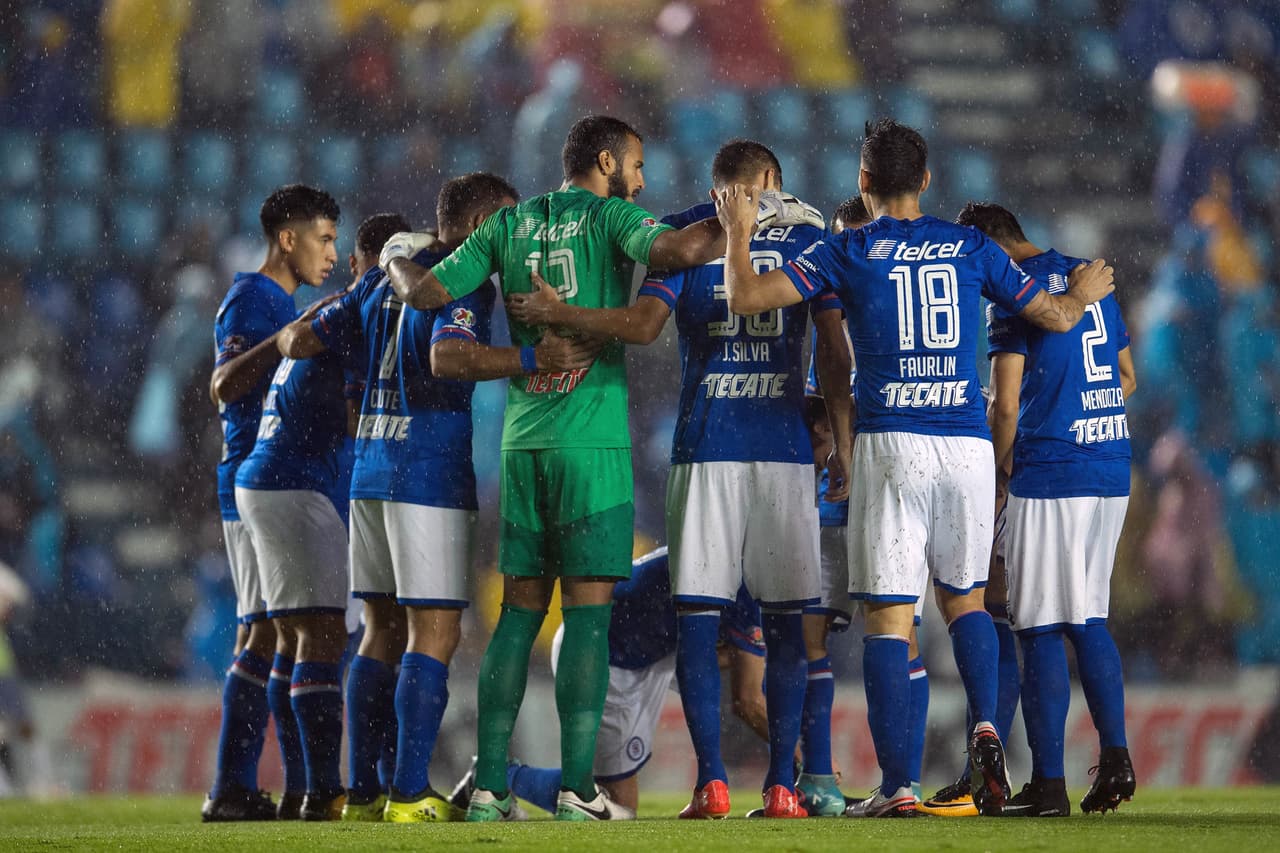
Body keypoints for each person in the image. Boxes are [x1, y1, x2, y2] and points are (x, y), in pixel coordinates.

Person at [711, 118, 1116, 817]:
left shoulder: (849, 249)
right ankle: (986, 725)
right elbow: (1050, 315)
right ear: (926, 181)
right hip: (966, 443)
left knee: (889, 622)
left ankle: (899, 784)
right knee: (965, 601)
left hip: (891, 442)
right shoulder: (971, 246)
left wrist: (739, 231)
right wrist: (1083, 293)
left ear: (862, 183)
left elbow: (746, 295)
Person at [380, 114, 725, 822]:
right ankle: (576, 788)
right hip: (590, 444)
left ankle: (488, 787)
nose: (643, 178)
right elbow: (681, 248)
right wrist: (743, 213)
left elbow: (424, 294)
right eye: (636, 164)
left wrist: (394, 254)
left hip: (522, 441)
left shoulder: (510, 225)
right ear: (606, 162)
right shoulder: (610, 216)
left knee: (516, 617)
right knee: (590, 621)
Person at [506, 139, 847, 819]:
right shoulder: (811, 234)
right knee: (787, 623)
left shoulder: (683, 234)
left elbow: (642, 325)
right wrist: (840, 437)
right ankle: (785, 785)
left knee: (698, 618)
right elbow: (835, 349)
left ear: (718, 183)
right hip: (782, 447)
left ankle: (712, 783)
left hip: (705, 445)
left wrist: (562, 313)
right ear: (772, 180)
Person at [278, 172, 597, 823]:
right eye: (506, 224)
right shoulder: (465, 276)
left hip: (370, 466)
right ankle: (408, 791)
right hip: (426, 474)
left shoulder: (380, 277)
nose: (515, 240)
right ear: (481, 224)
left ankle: (362, 792)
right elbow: (451, 358)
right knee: (437, 631)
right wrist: (536, 360)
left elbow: (301, 341)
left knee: (379, 632)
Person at [961, 201, 1137, 816]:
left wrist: (990, 472)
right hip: (1111, 464)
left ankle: (1049, 785)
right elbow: (1127, 379)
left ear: (986, 246)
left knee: (1035, 627)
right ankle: (1116, 762)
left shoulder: (1012, 293)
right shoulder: (1090, 277)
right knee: (1088, 616)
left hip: (1053, 469)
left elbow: (1005, 404)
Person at [204, 184, 340, 822]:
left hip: (266, 478)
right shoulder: (251, 299)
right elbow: (224, 384)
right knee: (264, 633)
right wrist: (283, 337)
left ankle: (283, 790)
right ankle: (236, 787)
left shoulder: (281, 300)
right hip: (250, 479)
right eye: (324, 238)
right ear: (288, 239)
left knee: (273, 633)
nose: (332, 253)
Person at [454, 547, 769, 819]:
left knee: (615, 801)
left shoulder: (729, 563)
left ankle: (501, 779)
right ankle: (499, 777)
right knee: (616, 804)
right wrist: (804, 761)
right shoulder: (733, 572)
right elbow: (749, 700)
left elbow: (728, 664)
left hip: (653, 656)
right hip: (603, 653)